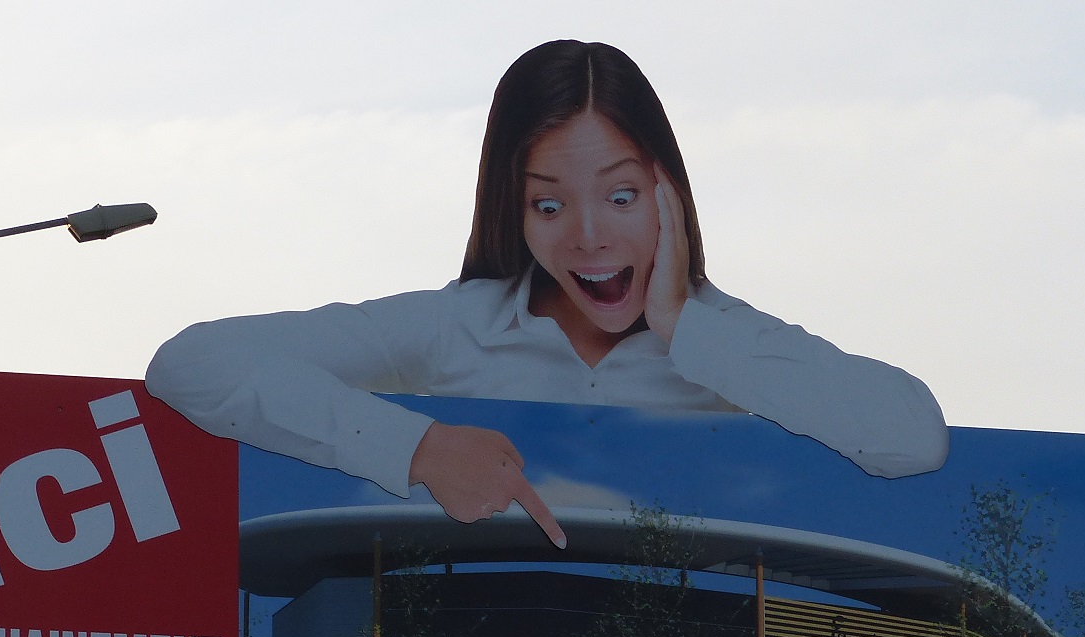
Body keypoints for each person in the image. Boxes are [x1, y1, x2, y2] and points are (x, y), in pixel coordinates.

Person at [146, 40, 949, 548]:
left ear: (668, 191)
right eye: (549, 204)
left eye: (622, 197)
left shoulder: (728, 340)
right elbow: (192, 364)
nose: (589, 236)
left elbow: (913, 437)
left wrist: (683, 329)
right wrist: (417, 448)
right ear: (514, 208)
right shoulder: (456, 326)